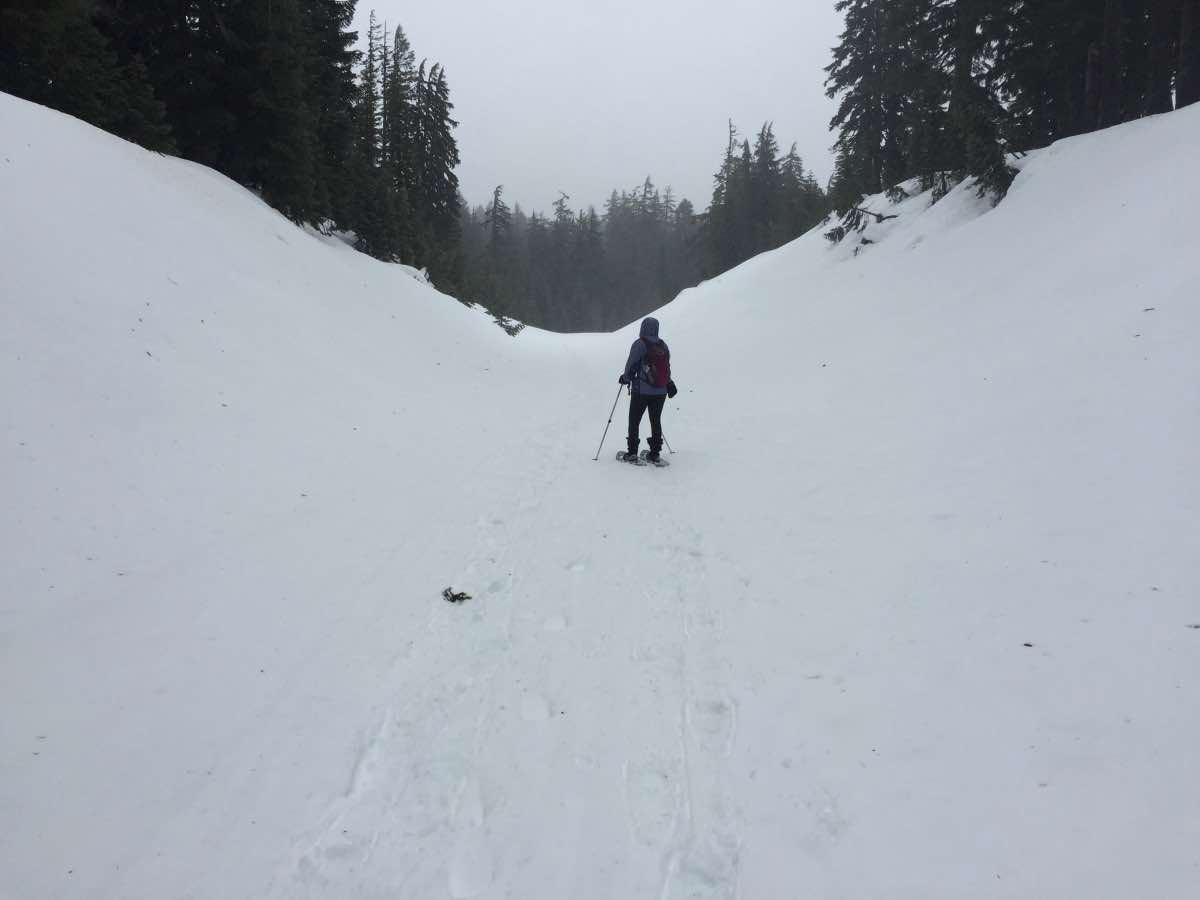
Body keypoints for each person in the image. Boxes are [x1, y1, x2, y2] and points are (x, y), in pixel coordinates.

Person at [618, 316, 678, 463]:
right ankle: (655, 453)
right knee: (655, 420)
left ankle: (632, 453)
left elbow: (631, 364)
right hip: (661, 391)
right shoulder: (663, 345)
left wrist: (625, 378)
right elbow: (666, 368)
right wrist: (668, 382)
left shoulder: (640, 344)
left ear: (642, 328)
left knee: (634, 420)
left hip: (642, 390)